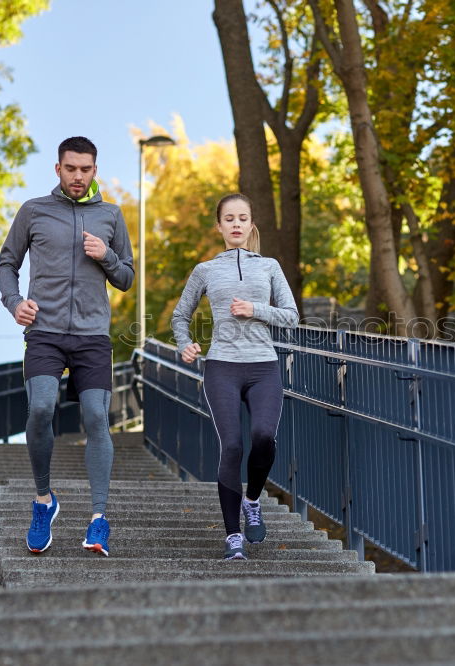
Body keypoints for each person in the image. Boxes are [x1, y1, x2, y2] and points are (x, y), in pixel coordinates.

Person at [0, 136, 134, 557]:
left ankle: (98, 519)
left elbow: (127, 276)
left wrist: (107, 255)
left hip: (92, 335)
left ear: (96, 170)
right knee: (40, 407)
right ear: (58, 169)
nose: (78, 176)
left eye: (86, 169)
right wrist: (14, 302)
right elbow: (7, 262)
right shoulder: (34, 211)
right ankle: (43, 501)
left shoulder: (111, 215)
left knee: (95, 416)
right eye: (71, 168)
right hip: (45, 331)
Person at [171, 193, 299, 560]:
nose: (237, 224)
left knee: (263, 438)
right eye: (229, 219)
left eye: (243, 217)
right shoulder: (205, 270)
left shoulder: (269, 266)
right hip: (222, 366)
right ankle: (233, 537)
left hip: (263, 366)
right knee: (232, 446)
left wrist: (255, 309)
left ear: (251, 223)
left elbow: (291, 315)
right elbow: (180, 315)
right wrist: (185, 343)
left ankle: (253, 500)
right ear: (220, 226)